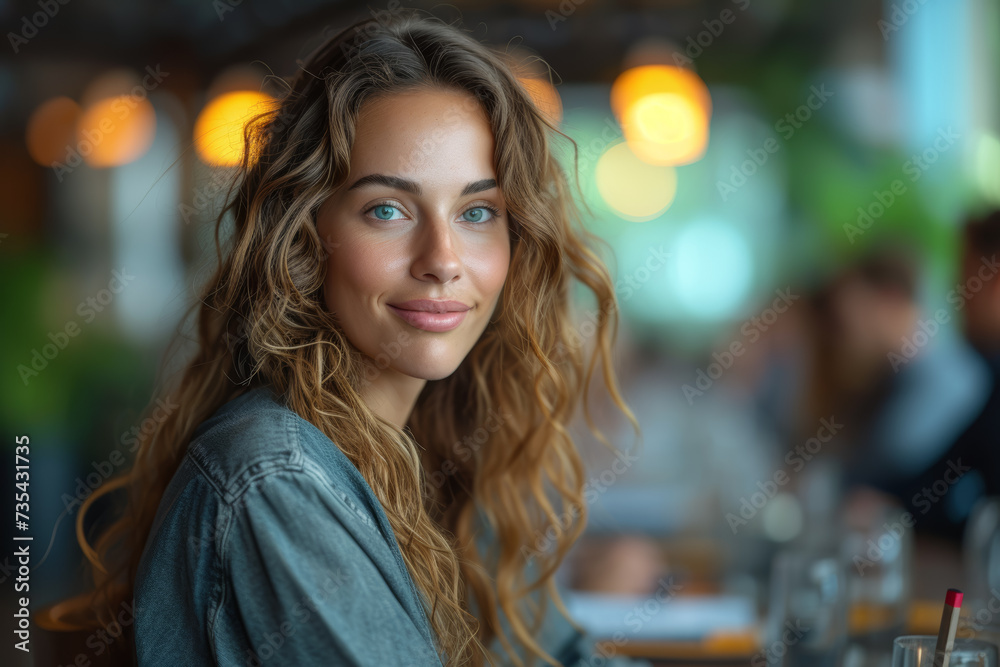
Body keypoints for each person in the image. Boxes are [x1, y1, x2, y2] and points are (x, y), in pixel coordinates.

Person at [51, 10, 651, 667]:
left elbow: (561, 657)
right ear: (304, 239)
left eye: (478, 211)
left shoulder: (435, 449)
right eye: (387, 210)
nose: (443, 259)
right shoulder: (277, 481)